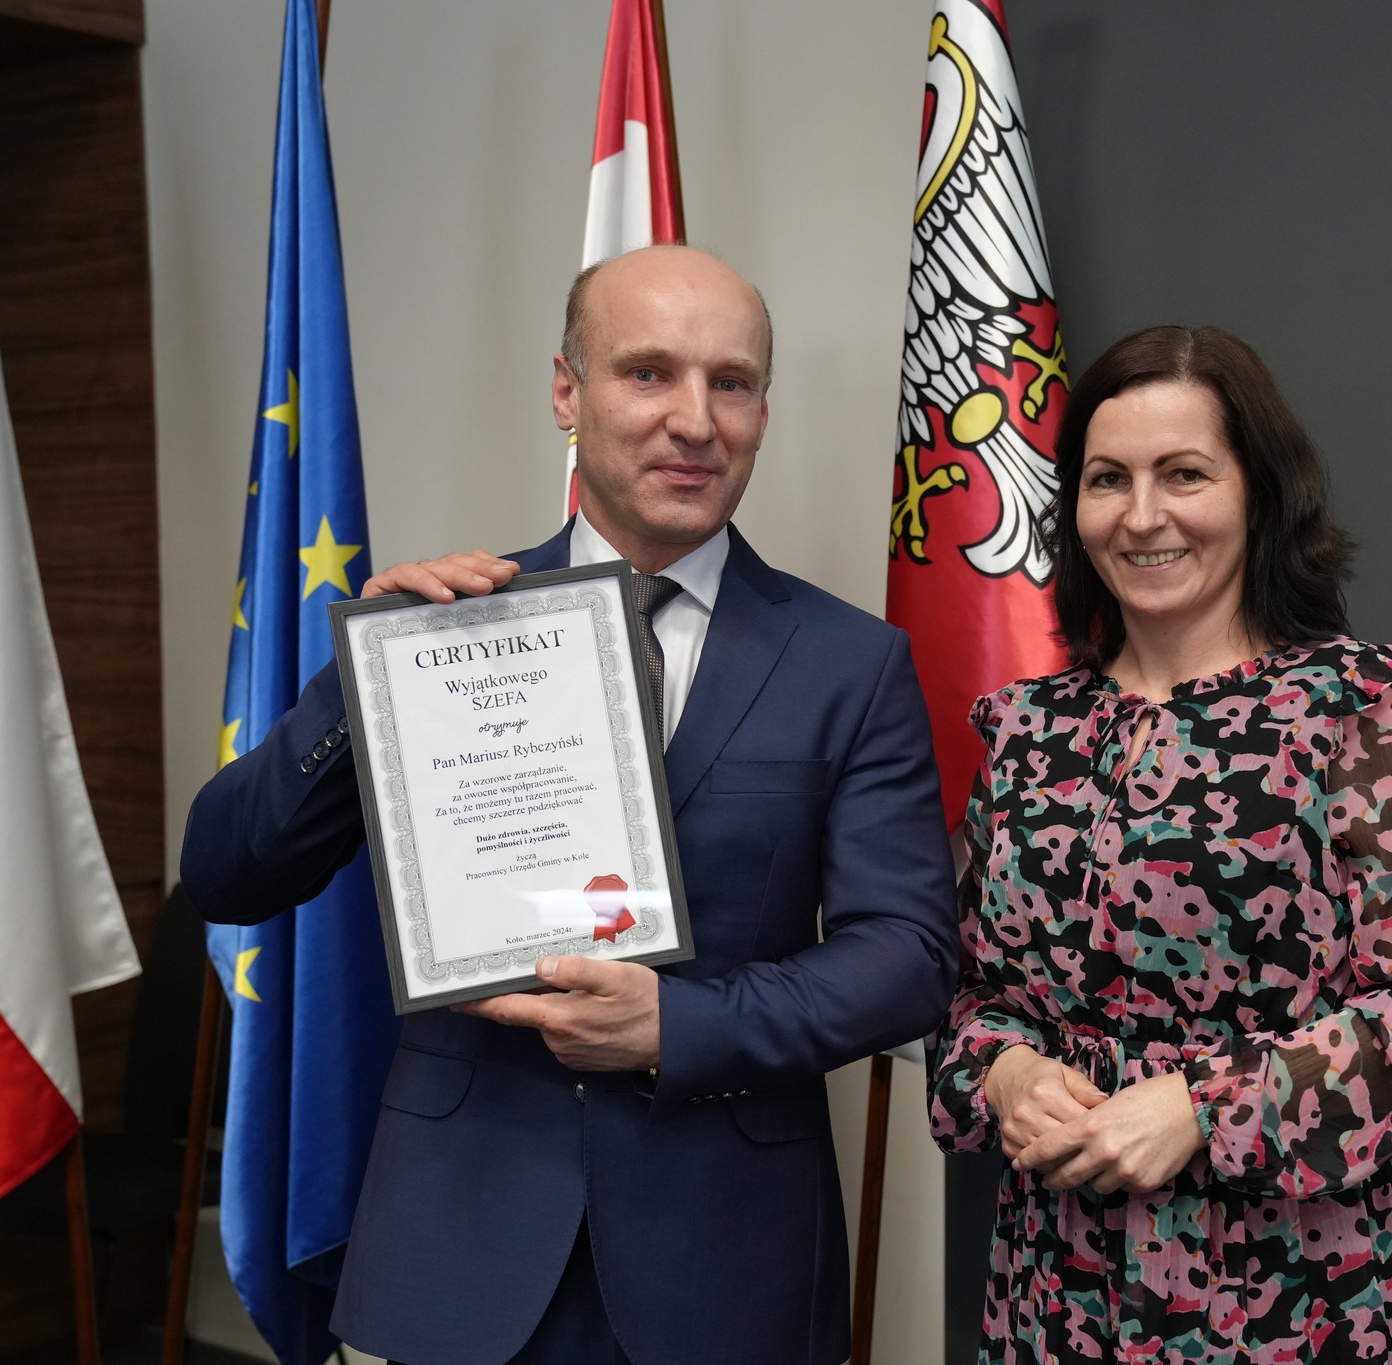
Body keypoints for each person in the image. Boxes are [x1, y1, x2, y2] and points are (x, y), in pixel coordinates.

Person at [183, 245, 960, 1365]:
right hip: (464, 1244)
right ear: (567, 390)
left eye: (731, 382)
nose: (695, 420)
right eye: (648, 372)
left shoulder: (851, 663)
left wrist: (677, 1027)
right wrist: (360, 683)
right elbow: (226, 870)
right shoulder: (440, 630)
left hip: (726, 1257)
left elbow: (907, 958)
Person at [928, 324, 1392, 1363]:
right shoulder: (1025, 731)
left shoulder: (1350, 710)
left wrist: (1202, 1108)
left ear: (1257, 495)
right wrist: (1005, 1072)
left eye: (1183, 473)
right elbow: (968, 996)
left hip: (1283, 1295)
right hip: (1052, 1288)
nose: (1141, 514)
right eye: (1108, 479)